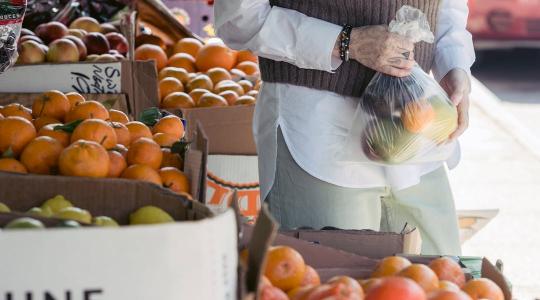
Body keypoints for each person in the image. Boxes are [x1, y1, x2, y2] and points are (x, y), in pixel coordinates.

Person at [215, 0, 474, 255]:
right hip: (319, 133)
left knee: (441, 282)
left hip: (417, 129)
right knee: (331, 284)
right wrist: (346, 42)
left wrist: (454, 65)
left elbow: (448, 8)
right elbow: (239, 18)